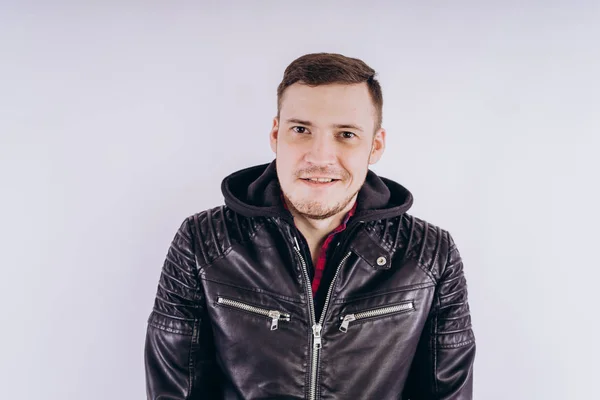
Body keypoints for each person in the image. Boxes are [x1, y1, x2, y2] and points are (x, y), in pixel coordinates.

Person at [144, 52, 476, 400]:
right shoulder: (203, 242)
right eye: (301, 130)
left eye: (346, 134)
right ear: (276, 134)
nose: (319, 157)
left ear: (375, 145)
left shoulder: (430, 254)